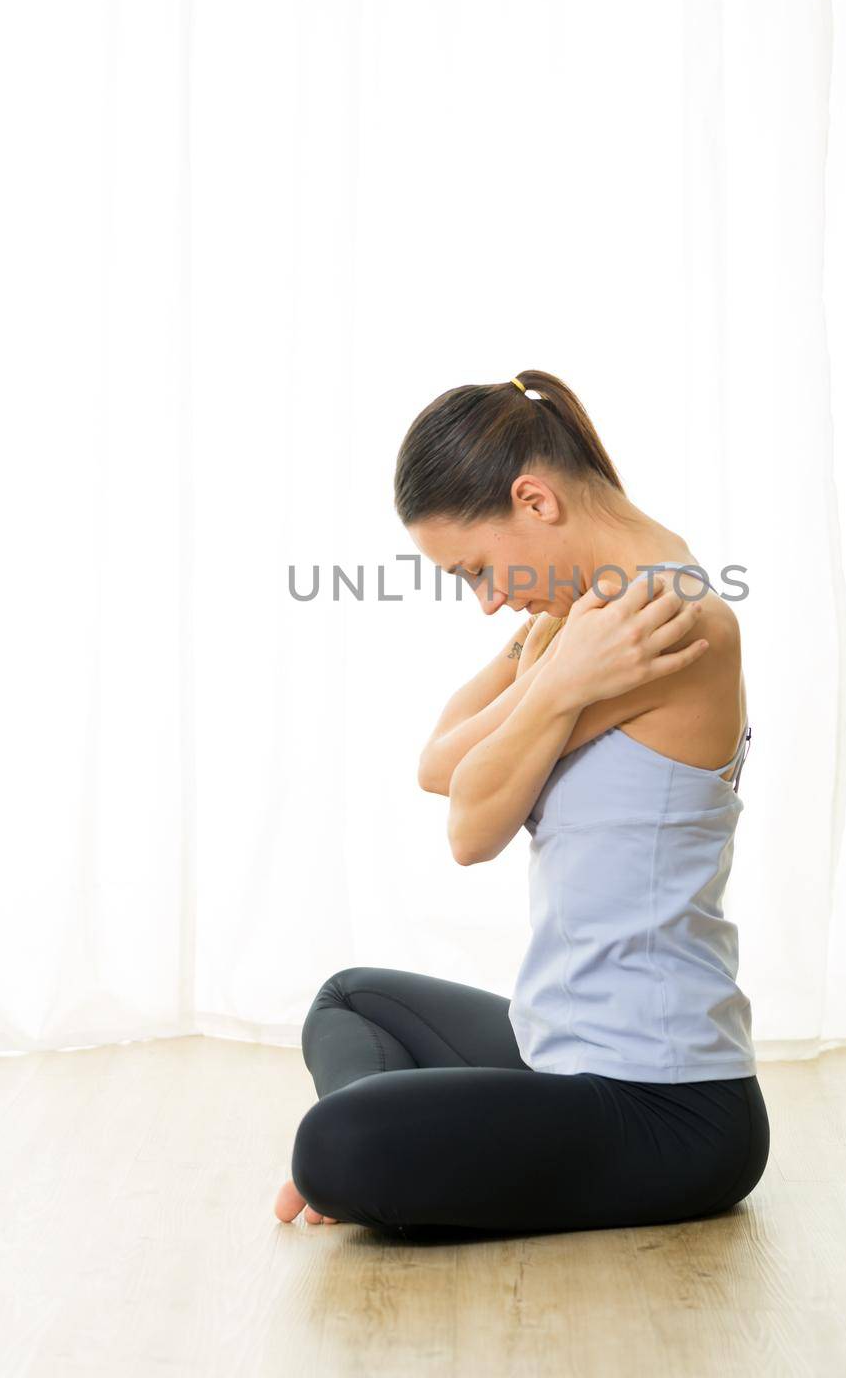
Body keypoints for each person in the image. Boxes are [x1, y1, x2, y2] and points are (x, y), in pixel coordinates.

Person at [274, 370, 769, 1238]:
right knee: (349, 999)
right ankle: (420, 1151)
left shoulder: (669, 623)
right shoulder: (579, 613)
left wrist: (557, 681)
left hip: (669, 1108)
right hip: (563, 1056)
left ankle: (400, 1157)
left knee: (335, 1144)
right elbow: (440, 764)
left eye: (475, 568)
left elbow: (470, 829)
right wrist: (552, 665)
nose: (488, 598)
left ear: (532, 499)